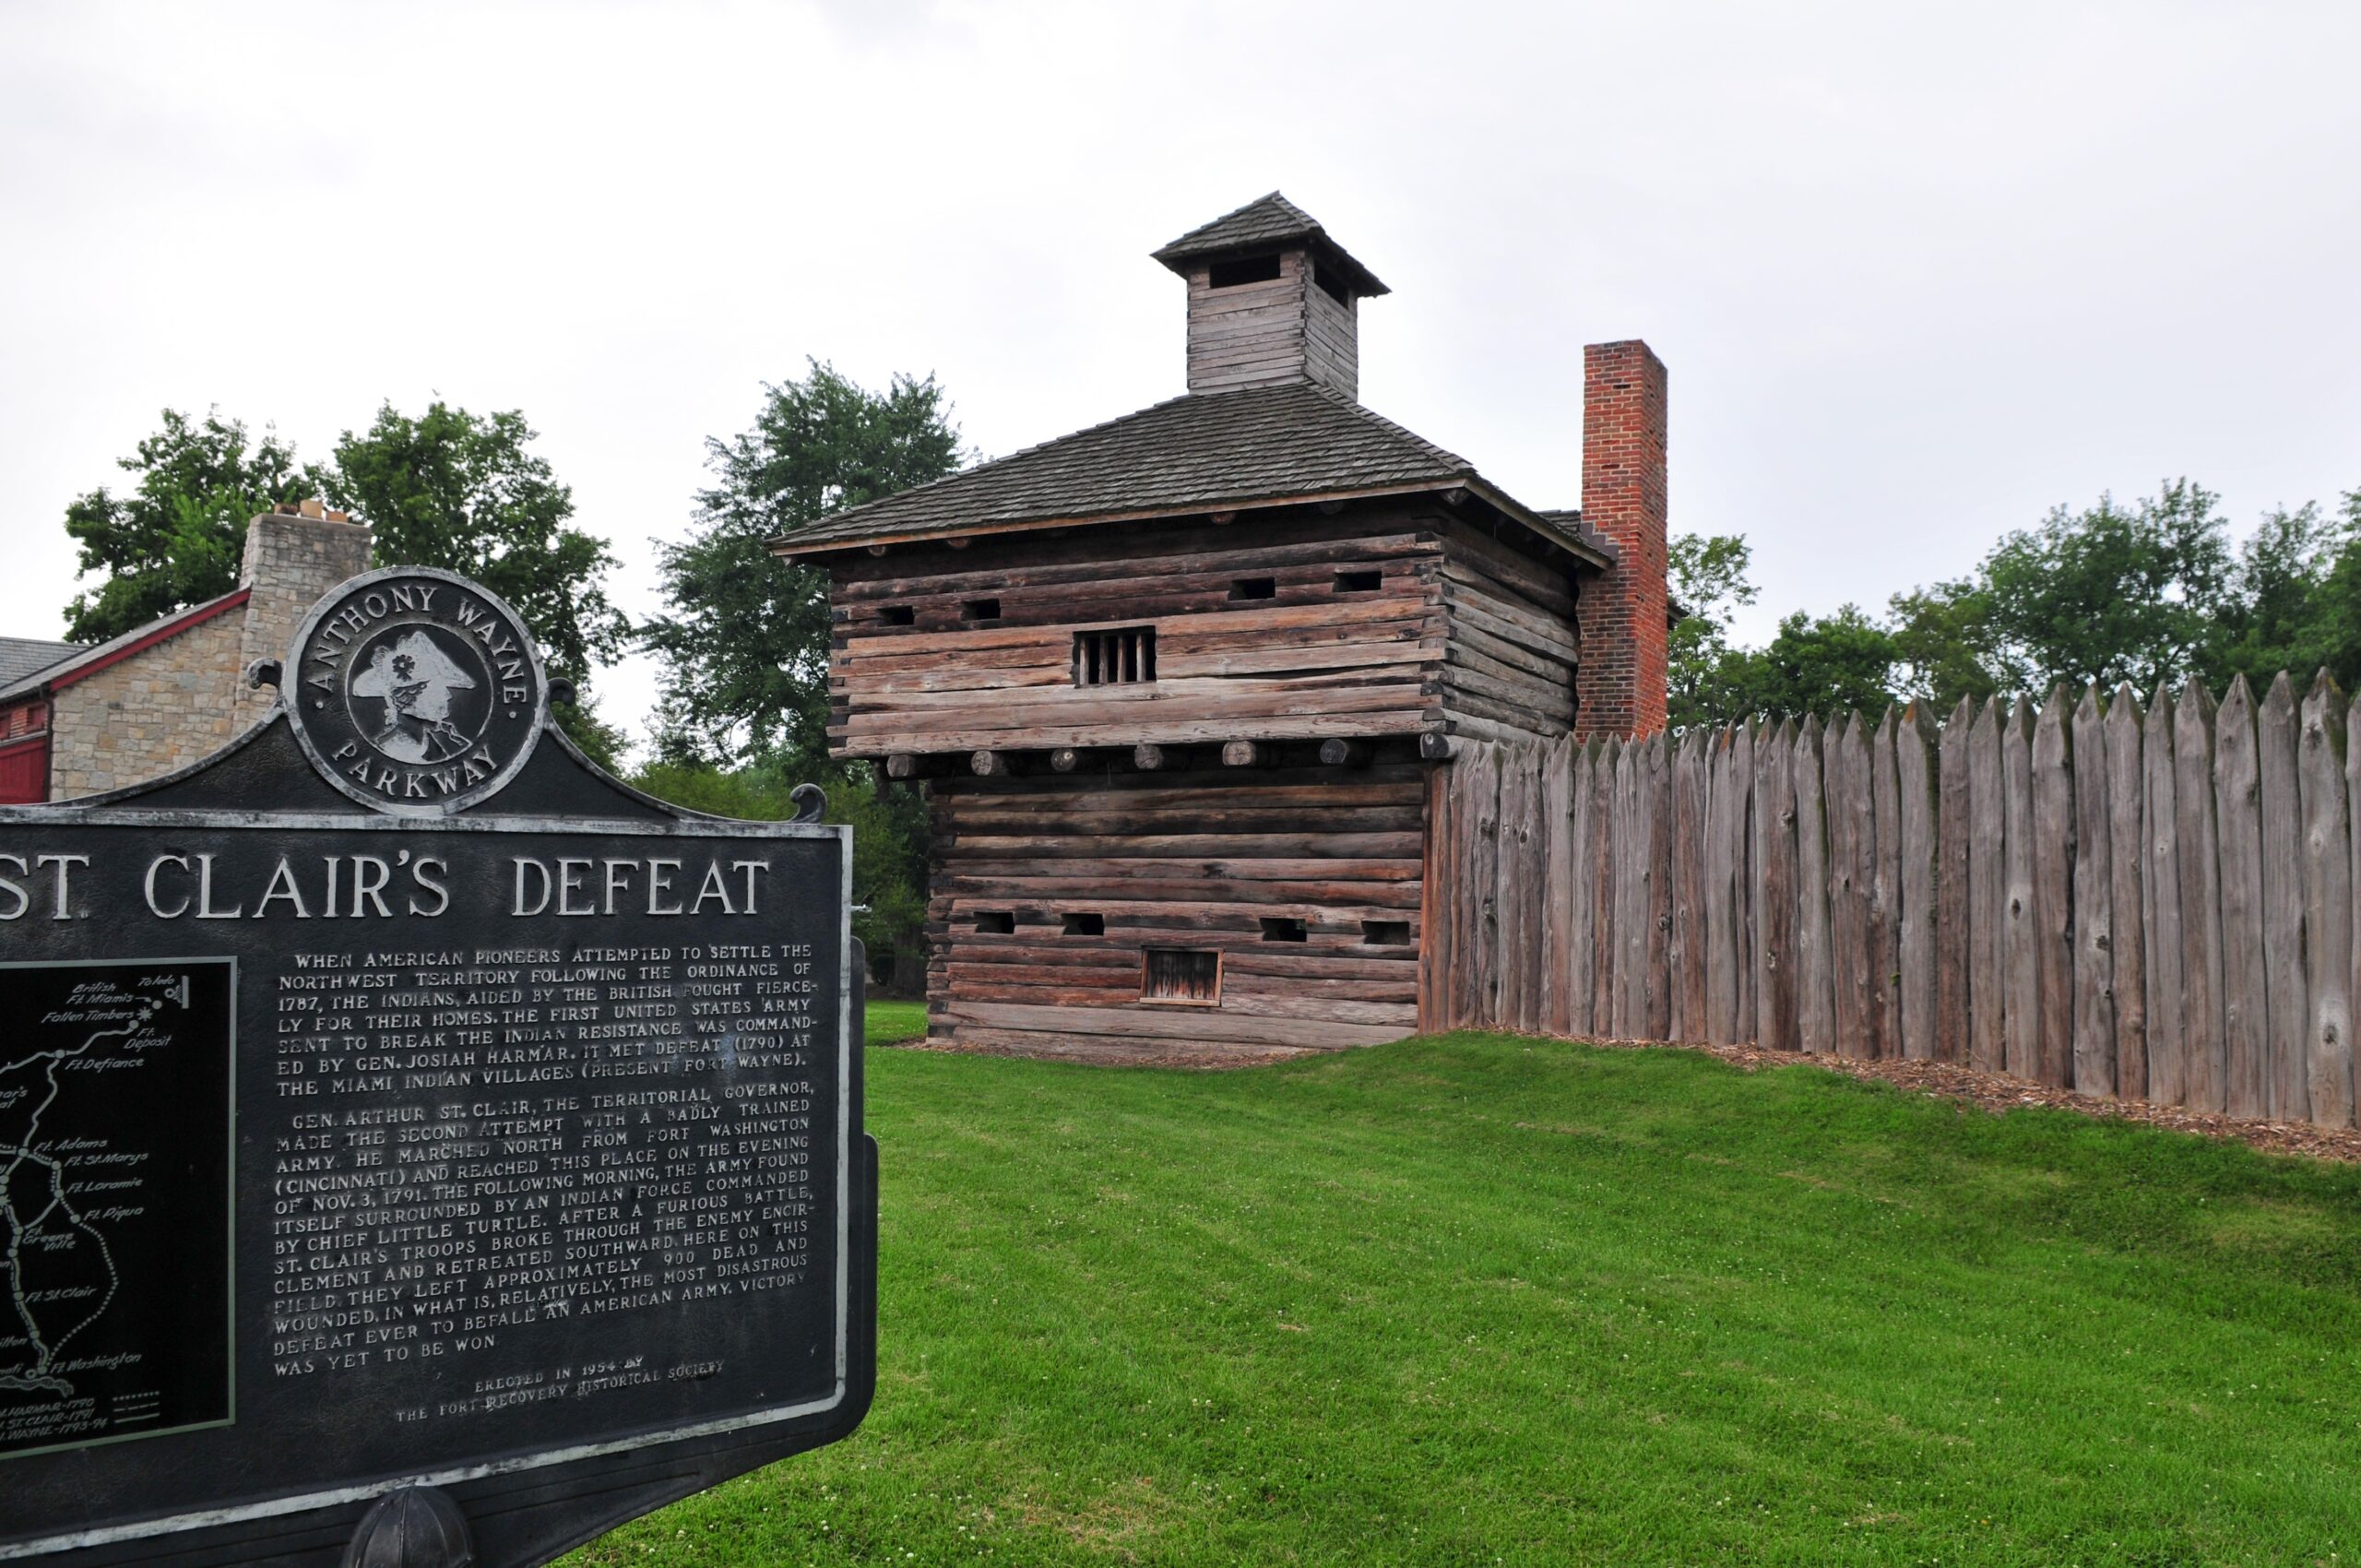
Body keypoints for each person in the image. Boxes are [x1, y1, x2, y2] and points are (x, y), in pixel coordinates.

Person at [350, 631, 479, 764]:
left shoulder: (424, 736)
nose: (447, 696)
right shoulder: (397, 746)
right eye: (437, 688)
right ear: (415, 698)